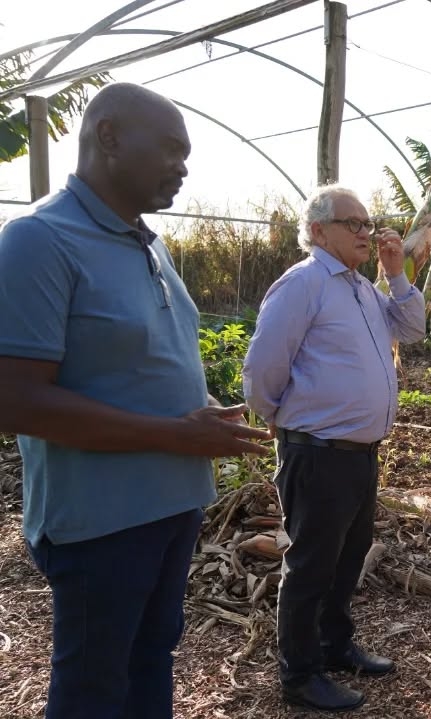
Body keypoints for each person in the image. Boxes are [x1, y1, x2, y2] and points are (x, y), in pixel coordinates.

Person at [0, 82, 271, 719]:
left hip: (173, 503)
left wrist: (200, 410)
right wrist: (178, 435)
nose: (183, 167)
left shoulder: (149, 243)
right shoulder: (40, 240)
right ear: (110, 137)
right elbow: (15, 400)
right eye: (172, 149)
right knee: (94, 686)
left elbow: (138, 362)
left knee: (151, 659)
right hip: (102, 521)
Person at [242, 184, 425, 711]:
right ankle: (299, 676)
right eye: (354, 223)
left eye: (368, 222)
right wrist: (284, 420)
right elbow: (262, 369)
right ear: (319, 230)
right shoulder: (303, 285)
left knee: (347, 558)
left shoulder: (362, 287)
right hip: (318, 452)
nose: (366, 232)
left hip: (358, 454)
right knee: (311, 567)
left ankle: (334, 645)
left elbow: (411, 328)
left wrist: (396, 273)